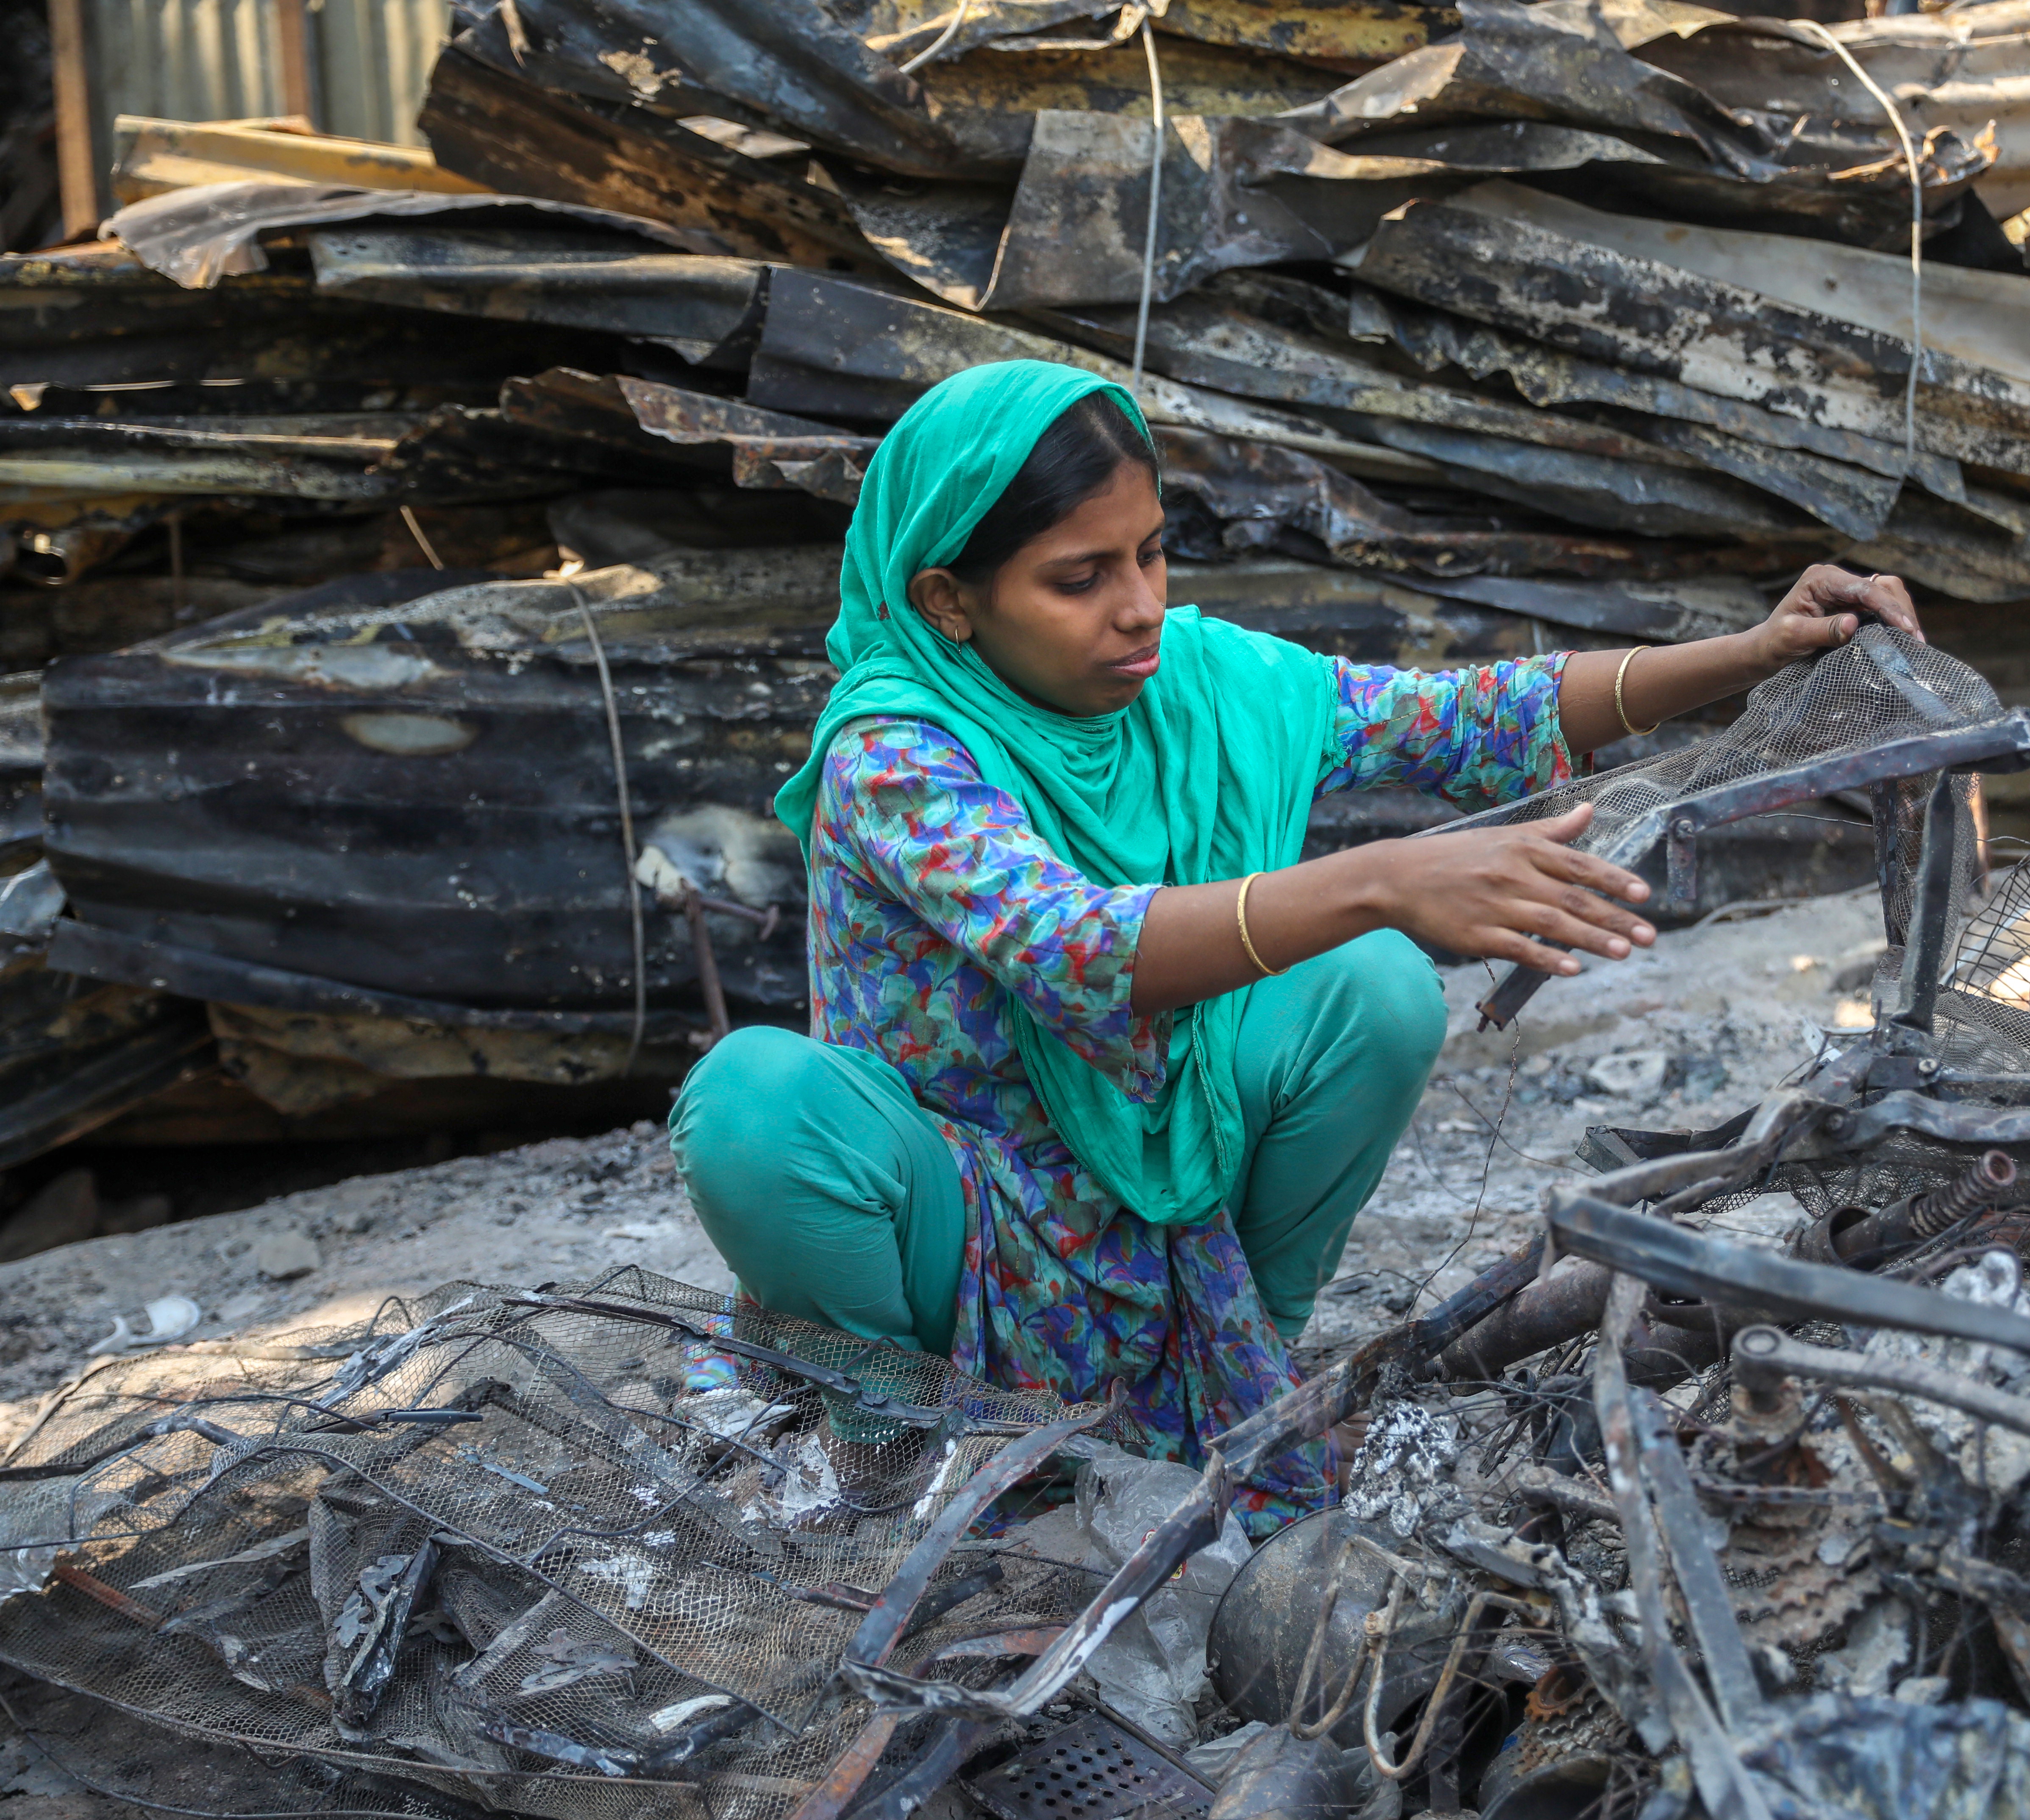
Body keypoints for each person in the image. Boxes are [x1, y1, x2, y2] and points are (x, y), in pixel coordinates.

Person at [669, 359, 1922, 1530]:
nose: (1140, 607)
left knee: (1375, 991)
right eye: (1080, 578)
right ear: (948, 599)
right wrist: (1377, 879)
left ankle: (1241, 1361)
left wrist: (1755, 655)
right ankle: (891, 1449)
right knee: (754, 1105)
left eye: (1153, 554)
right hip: (960, 1216)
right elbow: (1080, 947)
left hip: (1162, 1202)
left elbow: (1463, 717)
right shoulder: (894, 752)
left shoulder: (1202, 685)